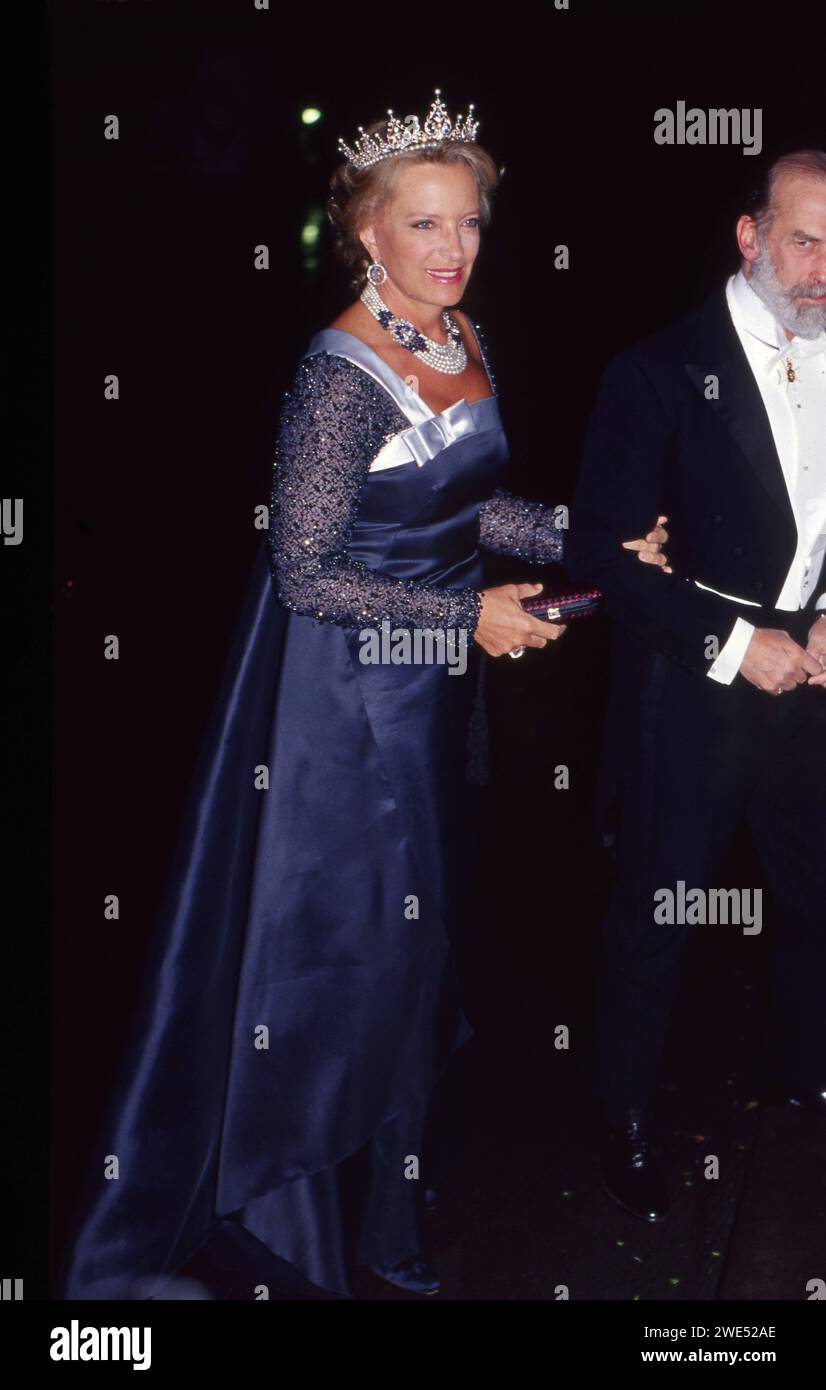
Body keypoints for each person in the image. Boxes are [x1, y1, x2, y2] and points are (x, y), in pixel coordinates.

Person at [58, 90, 668, 1300]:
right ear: (368, 235)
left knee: (414, 960)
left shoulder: (458, 334)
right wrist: (468, 615)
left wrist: (588, 546)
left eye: (471, 223)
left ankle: (388, 1214)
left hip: (428, 701)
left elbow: (466, 508)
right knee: (334, 968)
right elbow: (305, 568)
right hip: (336, 714)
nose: (453, 249)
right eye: (425, 224)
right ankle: (295, 1238)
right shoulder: (338, 375)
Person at [567, 149, 826, 1224]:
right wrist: (733, 641)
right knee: (659, 913)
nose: (823, 267)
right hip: (698, 679)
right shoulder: (659, 371)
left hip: (811, 677)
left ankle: (799, 1089)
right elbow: (602, 552)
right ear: (748, 235)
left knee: (813, 899)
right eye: (807, 240)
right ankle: (621, 1119)